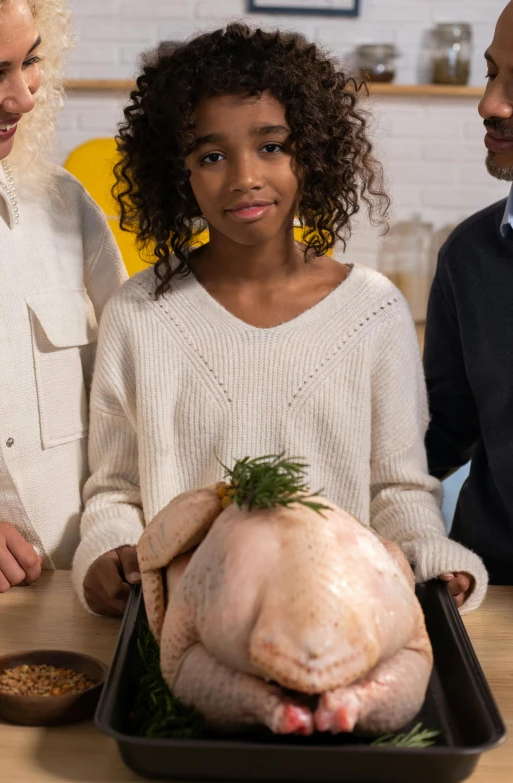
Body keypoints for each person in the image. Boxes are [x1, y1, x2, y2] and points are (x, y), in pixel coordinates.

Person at [73, 24, 487, 617]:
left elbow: (397, 491)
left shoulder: (373, 310)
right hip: (187, 623)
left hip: (342, 619)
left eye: (272, 145)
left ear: (312, 152)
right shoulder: (138, 315)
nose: (245, 176)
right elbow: (115, 490)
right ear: (178, 173)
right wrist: (105, 554)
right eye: (211, 156)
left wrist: (430, 557)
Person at [0, 0, 127, 593]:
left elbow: (128, 409)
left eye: (32, 61)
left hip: (79, 595)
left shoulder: (64, 208)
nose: (23, 97)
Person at [424, 1, 513, 585]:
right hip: (489, 588)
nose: (489, 105)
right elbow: (439, 433)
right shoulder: (470, 253)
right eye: (492, 73)